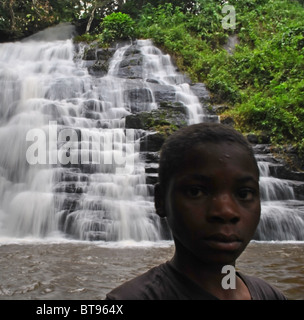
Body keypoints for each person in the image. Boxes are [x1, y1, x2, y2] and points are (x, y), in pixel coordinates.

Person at [106, 122, 287, 300]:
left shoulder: (271, 295)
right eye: (196, 191)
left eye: (244, 194)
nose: (226, 211)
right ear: (160, 201)